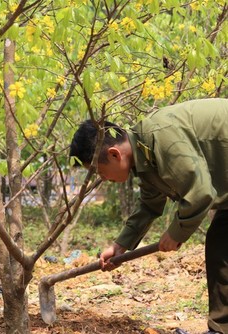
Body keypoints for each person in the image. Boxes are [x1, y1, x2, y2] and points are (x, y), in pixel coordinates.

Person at [69, 98, 228, 334]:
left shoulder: (162, 138)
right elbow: (150, 204)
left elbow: (201, 193)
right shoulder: (145, 152)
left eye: (99, 171)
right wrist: (120, 245)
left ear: (114, 154)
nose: (102, 178)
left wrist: (176, 232)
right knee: (220, 245)